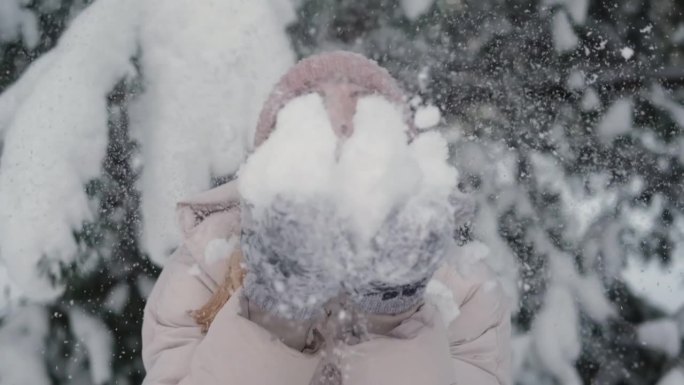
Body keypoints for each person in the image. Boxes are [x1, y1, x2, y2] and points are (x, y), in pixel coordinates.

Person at [141, 51, 511, 385]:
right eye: (317, 111)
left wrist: (392, 309)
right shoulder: (205, 268)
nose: (343, 130)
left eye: (362, 111)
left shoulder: (463, 289)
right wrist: (277, 309)